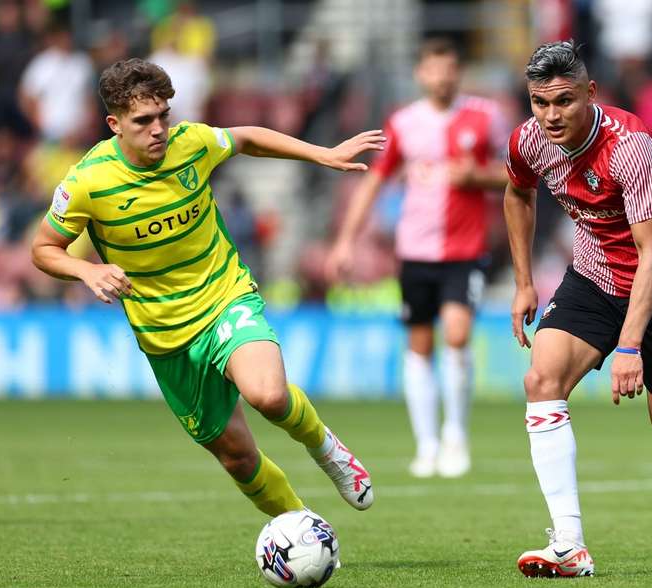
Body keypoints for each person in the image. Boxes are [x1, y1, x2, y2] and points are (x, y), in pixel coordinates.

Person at [30, 58, 383, 519]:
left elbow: (248, 137)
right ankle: (304, 528)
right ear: (114, 124)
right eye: (143, 121)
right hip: (165, 334)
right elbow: (43, 248)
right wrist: (88, 272)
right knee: (238, 458)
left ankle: (325, 447)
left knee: (269, 395)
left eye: (163, 116)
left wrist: (321, 153)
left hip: (224, 296)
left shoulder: (191, 143)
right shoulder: (87, 182)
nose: (158, 129)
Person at [503, 41, 652, 578]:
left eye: (564, 102)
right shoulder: (529, 140)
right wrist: (525, 282)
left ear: (591, 93)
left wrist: (627, 347)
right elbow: (517, 195)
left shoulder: (630, 146)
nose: (550, 116)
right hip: (594, 273)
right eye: (539, 102)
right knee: (540, 381)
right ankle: (569, 545)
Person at [326, 38, 509, 478]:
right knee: (420, 346)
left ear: (458, 72)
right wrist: (346, 240)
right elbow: (375, 182)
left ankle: (456, 437)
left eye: (449, 68)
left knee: (459, 336)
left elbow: (516, 172)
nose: (441, 77)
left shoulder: (487, 116)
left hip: (466, 250)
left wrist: (478, 175)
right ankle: (427, 445)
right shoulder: (404, 123)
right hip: (415, 251)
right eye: (433, 69)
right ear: (420, 74)